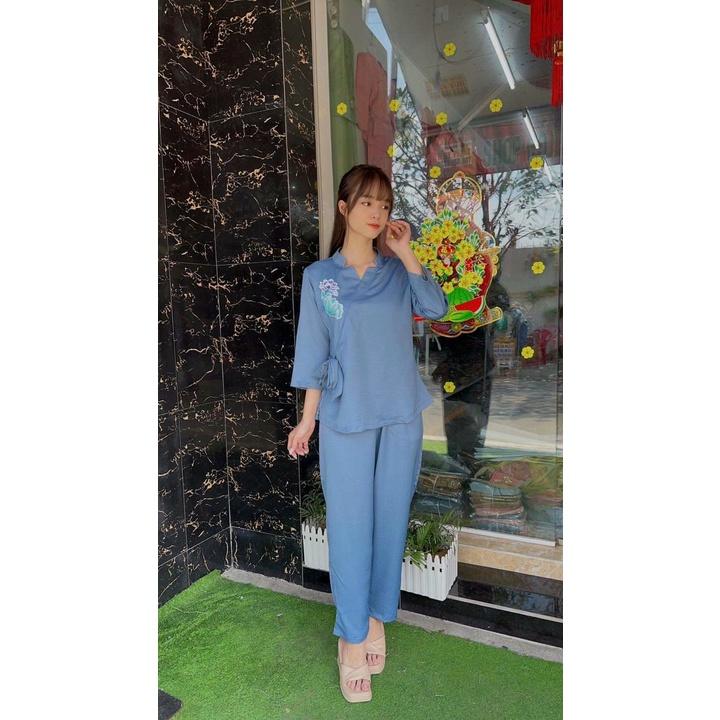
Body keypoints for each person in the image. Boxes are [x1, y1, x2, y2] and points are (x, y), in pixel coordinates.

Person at [286, 164, 449, 703]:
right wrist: (307, 419)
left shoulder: (398, 273)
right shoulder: (320, 278)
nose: (378, 213)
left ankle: (377, 616)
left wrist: (406, 252)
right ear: (344, 208)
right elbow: (314, 351)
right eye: (367, 203)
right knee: (350, 525)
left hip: (400, 416)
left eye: (384, 204)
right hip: (344, 417)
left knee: (389, 521)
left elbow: (437, 308)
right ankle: (351, 635)